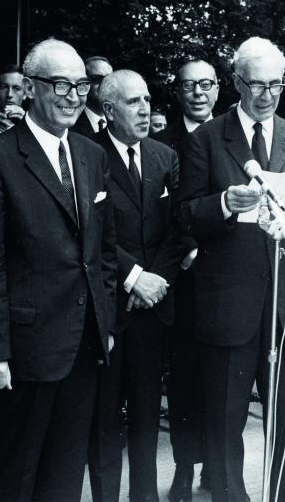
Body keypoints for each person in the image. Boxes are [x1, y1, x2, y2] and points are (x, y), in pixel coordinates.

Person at [0, 38, 118, 502]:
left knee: (65, 475)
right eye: (59, 84)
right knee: (14, 474)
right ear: (28, 88)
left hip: (84, 345)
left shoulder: (91, 155)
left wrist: (104, 322)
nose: (73, 96)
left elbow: (103, 251)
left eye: (81, 85)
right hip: (23, 352)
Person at [175, 36, 285, 502]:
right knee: (224, 422)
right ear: (237, 82)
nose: (266, 95)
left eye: (276, 85)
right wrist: (222, 203)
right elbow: (184, 217)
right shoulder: (205, 138)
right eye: (256, 85)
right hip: (228, 305)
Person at [88, 70, 187, 502]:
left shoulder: (165, 157)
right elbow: (92, 232)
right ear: (108, 110)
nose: (146, 109)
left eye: (147, 99)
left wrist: (157, 280)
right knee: (104, 418)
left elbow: (180, 227)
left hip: (153, 305)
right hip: (108, 304)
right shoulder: (87, 156)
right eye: (133, 102)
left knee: (147, 415)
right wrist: (134, 277)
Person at [160, 59, 219, 502]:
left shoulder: (234, 137)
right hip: (182, 276)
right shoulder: (162, 142)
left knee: (223, 378)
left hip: (229, 277)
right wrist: (189, 249)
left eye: (206, 84)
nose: (198, 92)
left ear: (219, 88)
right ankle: (184, 467)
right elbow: (159, 215)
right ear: (177, 92)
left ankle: (216, 467)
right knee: (184, 376)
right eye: (188, 85)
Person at [72, 55, 114, 136]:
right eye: (97, 79)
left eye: (109, 80)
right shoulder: (71, 122)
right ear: (83, 82)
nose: (105, 84)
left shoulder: (119, 122)